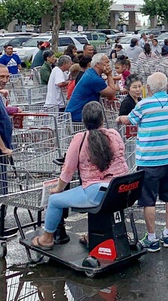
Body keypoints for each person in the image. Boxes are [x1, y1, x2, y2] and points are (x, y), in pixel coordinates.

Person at [30, 101, 128, 250]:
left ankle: (47, 239)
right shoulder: (114, 134)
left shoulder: (80, 139)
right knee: (101, 201)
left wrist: (58, 189)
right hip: (121, 190)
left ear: (83, 121)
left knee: (54, 201)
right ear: (102, 120)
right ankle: (96, 235)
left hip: (97, 192)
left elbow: (67, 171)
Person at [116, 72, 168, 252]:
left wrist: (119, 118)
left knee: (148, 200)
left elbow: (129, 120)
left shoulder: (144, 104)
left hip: (149, 160)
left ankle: (152, 238)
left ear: (149, 88)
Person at [66, 54, 119, 122]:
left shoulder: (90, 72)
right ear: (97, 64)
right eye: (107, 62)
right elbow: (111, 93)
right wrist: (109, 75)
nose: (109, 65)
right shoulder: (93, 78)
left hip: (78, 113)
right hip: (78, 116)